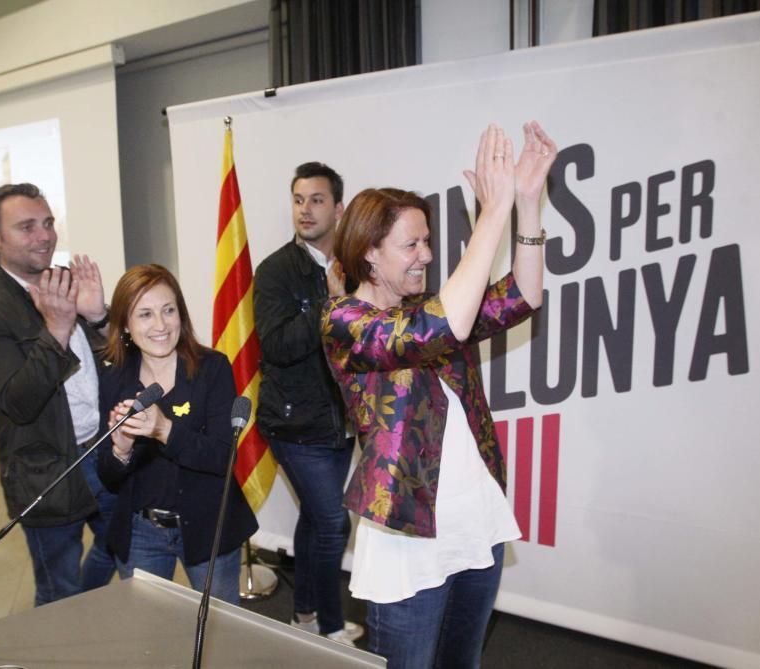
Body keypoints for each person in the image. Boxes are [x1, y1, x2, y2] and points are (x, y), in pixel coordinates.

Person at [321, 122, 557, 668]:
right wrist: (490, 214)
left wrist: (525, 204)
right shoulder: (345, 320)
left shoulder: (432, 306)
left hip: (475, 519)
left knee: (462, 662)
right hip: (407, 533)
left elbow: (523, 294)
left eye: (428, 240)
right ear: (370, 254)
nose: (426, 255)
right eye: (411, 244)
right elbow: (439, 329)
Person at [0, 182, 117, 606]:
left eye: (47, 223)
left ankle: (91, 615)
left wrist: (100, 318)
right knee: (58, 594)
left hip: (105, 452)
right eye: (26, 227)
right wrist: (59, 329)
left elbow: (117, 364)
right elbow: (19, 401)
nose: (44, 235)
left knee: (124, 550)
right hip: (48, 470)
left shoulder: (66, 281)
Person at [96, 264, 258, 604]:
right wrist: (120, 449)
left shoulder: (211, 368)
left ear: (181, 315)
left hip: (209, 525)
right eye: (145, 314)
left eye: (168, 310)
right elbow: (109, 479)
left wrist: (163, 429)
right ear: (125, 324)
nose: (160, 325)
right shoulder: (114, 380)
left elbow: (221, 457)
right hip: (142, 533)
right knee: (149, 638)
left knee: (220, 632)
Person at [253, 162, 362, 643]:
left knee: (317, 519)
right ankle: (329, 629)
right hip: (294, 425)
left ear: (338, 208)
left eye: (316, 199)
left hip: (341, 421)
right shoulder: (276, 270)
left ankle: (302, 615)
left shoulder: (357, 264)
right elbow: (275, 346)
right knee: (333, 521)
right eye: (298, 199)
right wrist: (329, 305)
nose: (305, 209)